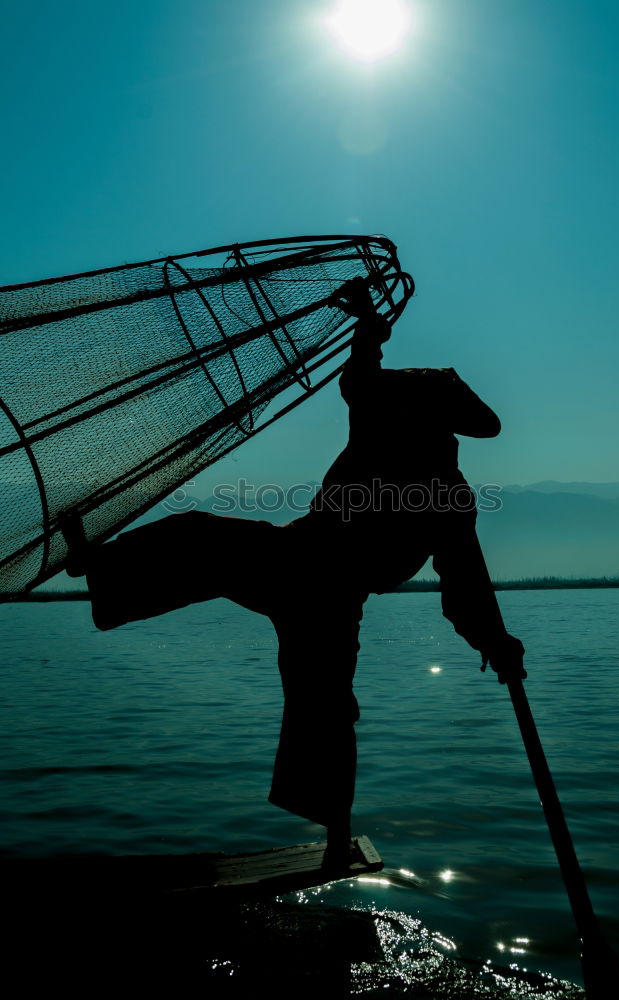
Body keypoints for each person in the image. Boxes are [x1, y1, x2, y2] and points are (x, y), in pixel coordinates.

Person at [65, 278, 525, 866]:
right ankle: (99, 569)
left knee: (326, 706)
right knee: (199, 535)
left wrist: (494, 640)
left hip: (331, 597)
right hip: (294, 557)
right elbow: (361, 379)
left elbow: (466, 581)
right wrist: (366, 324)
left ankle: (336, 840)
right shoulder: (381, 422)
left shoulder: (447, 496)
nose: (406, 409)